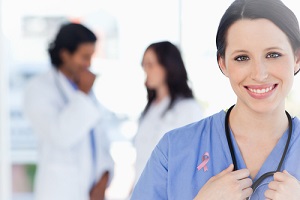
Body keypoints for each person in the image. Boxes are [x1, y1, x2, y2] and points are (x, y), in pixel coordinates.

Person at [131, 0, 300, 199]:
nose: (259, 74)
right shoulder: (174, 150)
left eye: (273, 54)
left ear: (297, 58)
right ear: (223, 63)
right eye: (242, 57)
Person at [23, 22, 115, 200]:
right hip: (59, 192)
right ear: (65, 55)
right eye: (84, 57)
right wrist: (82, 94)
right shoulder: (39, 89)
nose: (89, 64)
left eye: (91, 57)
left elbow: (102, 141)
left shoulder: (86, 91)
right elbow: (60, 135)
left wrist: (103, 180)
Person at [133, 41, 203, 185]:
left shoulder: (188, 108)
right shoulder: (150, 108)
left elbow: (191, 162)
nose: (146, 70)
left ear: (168, 66)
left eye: (151, 65)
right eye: (144, 65)